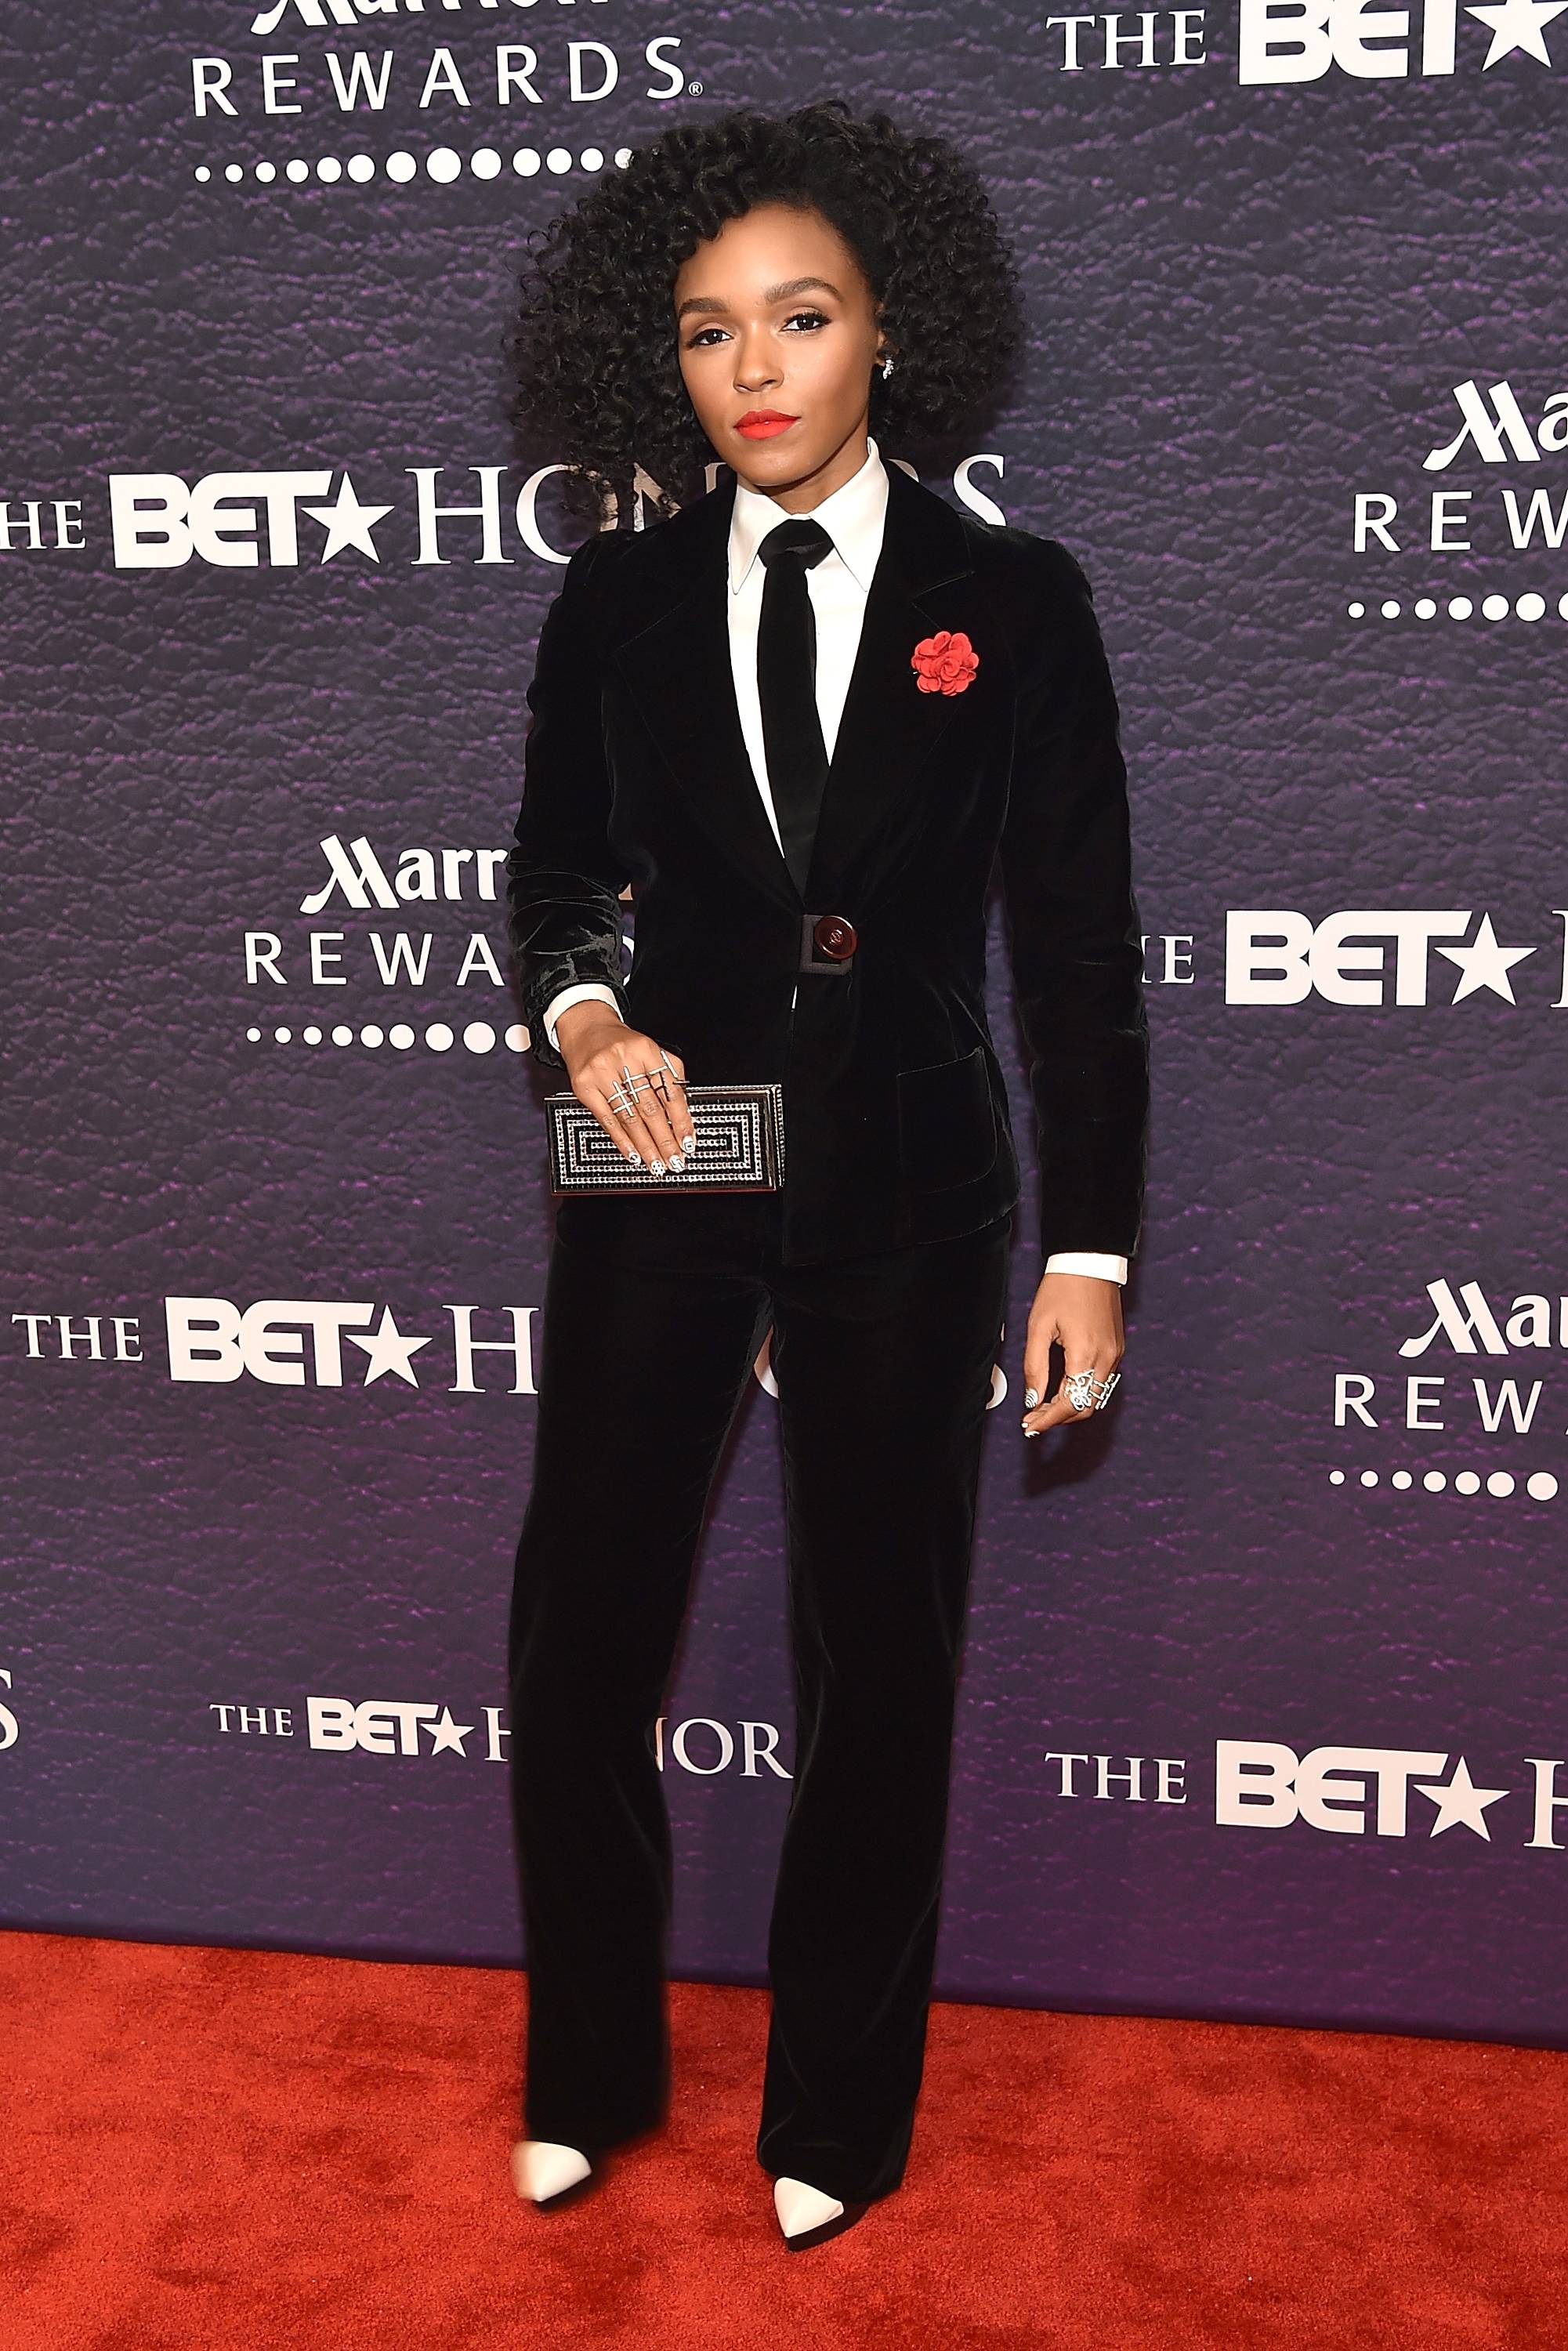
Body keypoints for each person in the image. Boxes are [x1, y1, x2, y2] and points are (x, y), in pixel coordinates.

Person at [502, 98, 1149, 2251]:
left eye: (802, 317)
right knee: (580, 1631)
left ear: (893, 334)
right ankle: (588, 2074)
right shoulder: (613, 595)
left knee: (879, 1654)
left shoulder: (1013, 599)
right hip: (679, 1158)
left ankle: (837, 2115)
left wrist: (1091, 1247)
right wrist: (586, 1023)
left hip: (908, 1180)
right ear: (653, 362)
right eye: (705, 331)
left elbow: (1072, 939)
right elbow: (553, 880)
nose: (754, 368)